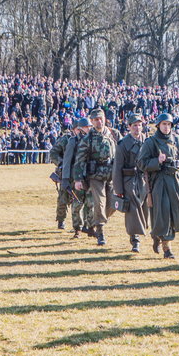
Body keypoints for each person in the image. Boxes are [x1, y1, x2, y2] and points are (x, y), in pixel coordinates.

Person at [137, 113, 179, 259]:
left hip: (176, 182)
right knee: (163, 214)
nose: (166, 127)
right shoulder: (151, 142)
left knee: (174, 214)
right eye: (163, 124)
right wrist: (156, 161)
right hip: (159, 182)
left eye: (168, 124)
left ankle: (158, 235)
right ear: (158, 126)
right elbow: (141, 164)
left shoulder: (178, 140)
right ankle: (167, 248)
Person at [73, 108, 121, 246]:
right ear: (92, 121)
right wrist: (77, 179)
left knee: (113, 203)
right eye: (95, 120)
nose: (98, 122)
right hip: (95, 175)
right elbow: (80, 159)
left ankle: (95, 221)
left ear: (105, 118)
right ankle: (100, 232)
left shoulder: (114, 134)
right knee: (99, 203)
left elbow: (123, 152)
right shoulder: (88, 139)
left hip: (112, 174)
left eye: (100, 119)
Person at [112, 113, 150, 252]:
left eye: (139, 125)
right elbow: (117, 168)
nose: (137, 128)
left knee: (145, 208)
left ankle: (142, 231)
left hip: (144, 180)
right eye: (134, 125)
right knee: (133, 209)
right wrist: (118, 189)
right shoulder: (122, 145)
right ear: (129, 127)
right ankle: (135, 240)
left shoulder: (147, 142)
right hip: (129, 180)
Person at [49, 124, 75, 230]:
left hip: (79, 173)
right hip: (65, 173)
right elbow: (53, 153)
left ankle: (78, 224)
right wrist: (61, 163)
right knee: (63, 199)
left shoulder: (85, 139)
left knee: (79, 200)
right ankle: (61, 220)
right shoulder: (65, 139)